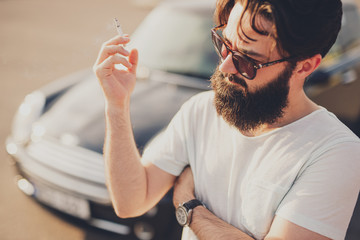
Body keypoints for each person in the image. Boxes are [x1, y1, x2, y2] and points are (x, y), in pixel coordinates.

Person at [93, 0, 360, 239]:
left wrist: (189, 206)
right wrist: (116, 104)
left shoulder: (335, 152)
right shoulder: (200, 111)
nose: (225, 66)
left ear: (305, 67)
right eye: (224, 45)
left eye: (248, 61)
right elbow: (131, 201)